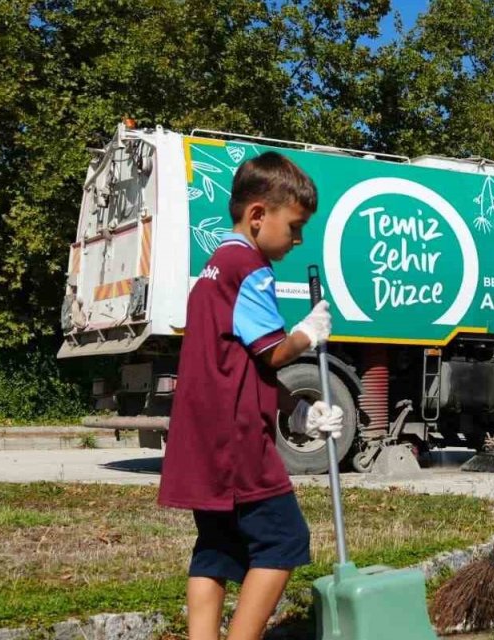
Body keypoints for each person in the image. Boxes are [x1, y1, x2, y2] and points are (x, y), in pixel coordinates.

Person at [158, 152, 344, 640]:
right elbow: (273, 354)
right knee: (284, 541)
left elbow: (237, 364)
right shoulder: (250, 268)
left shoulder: (213, 269)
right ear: (259, 215)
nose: (299, 239)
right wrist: (308, 333)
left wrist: (296, 411)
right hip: (236, 440)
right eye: (296, 225)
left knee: (216, 548)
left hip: (201, 435)